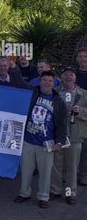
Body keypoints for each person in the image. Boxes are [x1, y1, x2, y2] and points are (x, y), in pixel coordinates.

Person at [14, 71, 68, 209]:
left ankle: (44, 196)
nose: (47, 83)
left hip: (46, 143)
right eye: (44, 80)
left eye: (50, 80)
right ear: (40, 81)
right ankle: (24, 193)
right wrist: (14, 67)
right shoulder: (32, 93)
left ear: (54, 83)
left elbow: (62, 123)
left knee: (45, 173)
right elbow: (19, 81)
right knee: (26, 170)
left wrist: (59, 141)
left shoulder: (58, 102)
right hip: (28, 140)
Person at [50, 67, 87, 204]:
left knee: (72, 167)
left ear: (75, 78)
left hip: (75, 135)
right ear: (62, 78)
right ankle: (55, 190)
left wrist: (81, 111)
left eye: (71, 75)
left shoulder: (84, 94)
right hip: (57, 135)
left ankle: (69, 194)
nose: (68, 78)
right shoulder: (54, 93)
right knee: (56, 165)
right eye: (65, 76)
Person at [74, 48, 87, 186]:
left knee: (85, 147)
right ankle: (71, 173)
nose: (83, 59)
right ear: (77, 59)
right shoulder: (72, 74)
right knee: (73, 144)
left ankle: (83, 174)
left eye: (85, 56)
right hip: (72, 111)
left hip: (85, 112)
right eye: (80, 56)